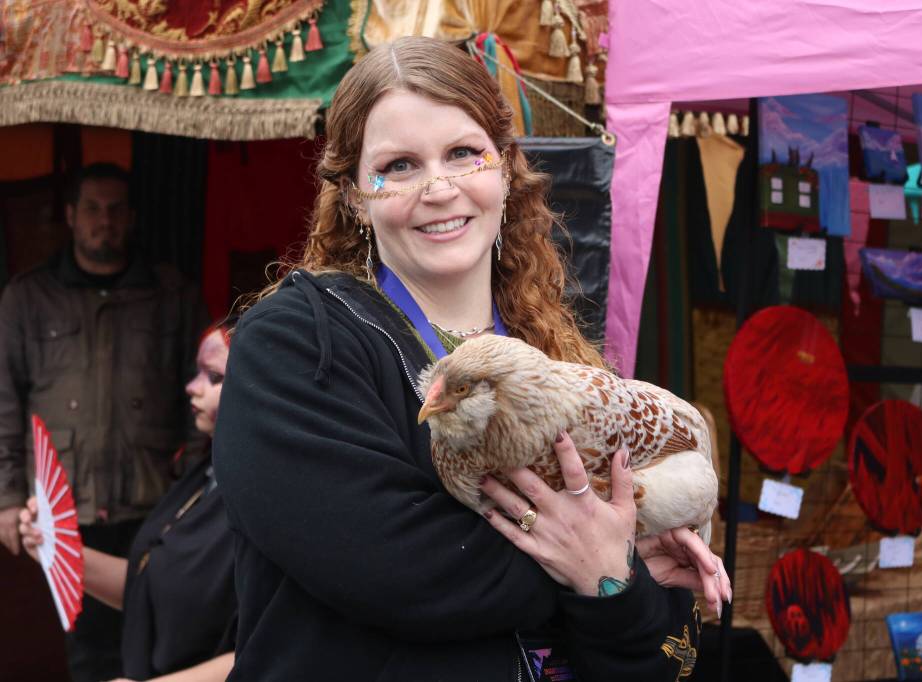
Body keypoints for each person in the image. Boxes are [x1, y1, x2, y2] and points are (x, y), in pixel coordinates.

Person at [214, 36, 731, 681]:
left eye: (463, 153)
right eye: (399, 166)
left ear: (504, 170)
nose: (439, 187)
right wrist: (606, 560)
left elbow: (662, 651)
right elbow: (395, 571)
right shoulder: (297, 344)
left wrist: (612, 584)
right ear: (353, 196)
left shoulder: (556, 363)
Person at [0, 162, 208, 681]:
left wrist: (192, 495)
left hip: (155, 504)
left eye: (116, 210)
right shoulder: (27, 298)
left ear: (132, 218)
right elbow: (4, 401)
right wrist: (5, 499)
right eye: (92, 209)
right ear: (70, 216)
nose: (104, 221)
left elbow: (201, 397)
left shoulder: (171, 294)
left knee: (164, 648)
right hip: (67, 508)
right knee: (89, 652)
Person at [18, 323, 236, 682]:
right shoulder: (203, 477)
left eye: (213, 377)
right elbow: (146, 587)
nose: (191, 387)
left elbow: (267, 645)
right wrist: (53, 543)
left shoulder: (262, 502)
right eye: (196, 373)